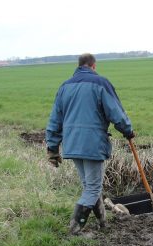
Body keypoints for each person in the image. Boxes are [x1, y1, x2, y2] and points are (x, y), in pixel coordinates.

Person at [45, 53, 135, 234]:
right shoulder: (101, 83)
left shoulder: (65, 86)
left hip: (72, 144)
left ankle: (103, 222)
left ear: (79, 66)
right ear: (94, 66)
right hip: (92, 144)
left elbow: (55, 119)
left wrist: (53, 148)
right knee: (93, 188)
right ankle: (74, 229)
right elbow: (116, 112)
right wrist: (128, 131)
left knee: (90, 187)